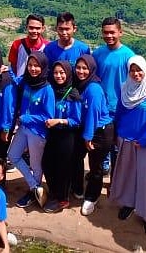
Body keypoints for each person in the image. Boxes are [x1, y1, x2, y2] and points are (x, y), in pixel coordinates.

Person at [110, 55, 146, 235]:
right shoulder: (126, 88)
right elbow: (119, 112)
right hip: (125, 138)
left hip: (144, 143)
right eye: (132, 70)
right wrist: (116, 133)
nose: (135, 73)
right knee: (127, 174)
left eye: (138, 69)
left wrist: (145, 139)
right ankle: (128, 203)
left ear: (145, 69)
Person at [7, 51, 54, 210]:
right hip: (24, 128)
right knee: (12, 156)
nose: (33, 69)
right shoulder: (26, 82)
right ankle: (35, 187)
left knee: (35, 165)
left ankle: (32, 192)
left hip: (37, 132)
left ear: (43, 67)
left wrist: (27, 118)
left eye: (37, 66)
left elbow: (49, 116)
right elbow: (15, 80)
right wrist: (6, 70)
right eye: (30, 65)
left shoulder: (47, 89)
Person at [71, 54, 114, 216]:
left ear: (92, 70)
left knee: (96, 166)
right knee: (76, 157)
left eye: (85, 68)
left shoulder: (94, 88)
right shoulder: (81, 84)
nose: (81, 71)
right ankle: (77, 187)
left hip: (100, 131)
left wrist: (88, 137)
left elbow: (93, 114)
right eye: (79, 68)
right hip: (87, 129)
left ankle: (92, 197)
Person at [92, 17, 135, 174]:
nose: (109, 36)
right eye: (105, 32)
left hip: (121, 108)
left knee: (117, 145)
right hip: (102, 108)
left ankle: (116, 179)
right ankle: (104, 167)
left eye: (112, 32)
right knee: (102, 143)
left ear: (120, 33)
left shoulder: (128, 55)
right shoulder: (98, 54)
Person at [42, 61, 82, 213]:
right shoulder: (51, 89)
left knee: (63, 168)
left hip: (66, 136)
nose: (58, 76)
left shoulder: (73, 94)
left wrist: (58, 120)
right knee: (47, 163)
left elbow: (76, 121)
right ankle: (54, 193)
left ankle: (63, 199)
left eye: (62, 73)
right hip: (53, 133)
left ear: (68, 74)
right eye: (56, 73)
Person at [8, 14, 48, 79]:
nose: (34, 31)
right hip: (20, 85)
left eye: (38, 28)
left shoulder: (47, 47)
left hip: (40, 86)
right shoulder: (17, 45)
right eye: (31, 28)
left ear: (43, 29)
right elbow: (13, 67)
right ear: (26, 27)